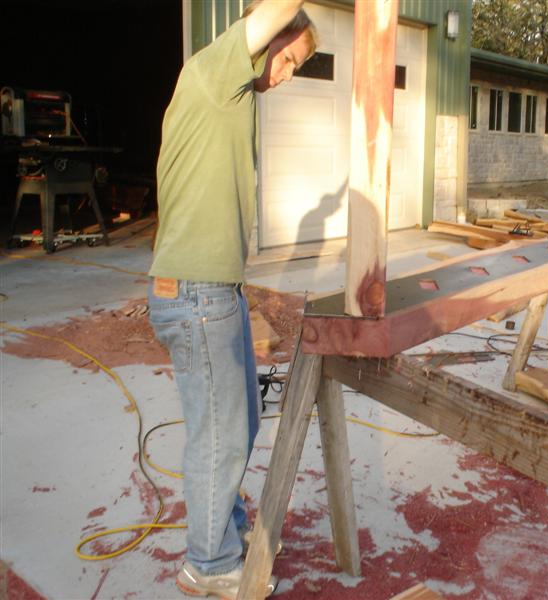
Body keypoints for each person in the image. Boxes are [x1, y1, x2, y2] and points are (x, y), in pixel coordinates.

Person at [147, 1, 316, 598]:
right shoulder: (218, 69)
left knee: (238, 422)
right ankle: (209, 563)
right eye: (289, 59)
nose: (288, 75)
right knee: (216, 435)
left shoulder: (233, 94)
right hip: (196, 292)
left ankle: (229, 527)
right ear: (264, 37)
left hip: (218, 290)